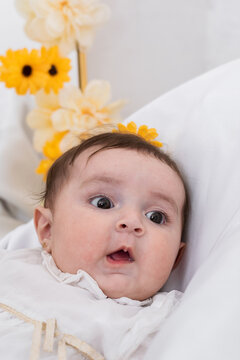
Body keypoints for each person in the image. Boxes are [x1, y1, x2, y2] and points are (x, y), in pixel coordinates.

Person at [0, 131, 189, 360]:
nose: (132, 222)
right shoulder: (11, 264)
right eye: (104, 203)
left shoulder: (150, 326)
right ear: (48, 229)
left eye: (156, 217)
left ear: (176, 259)